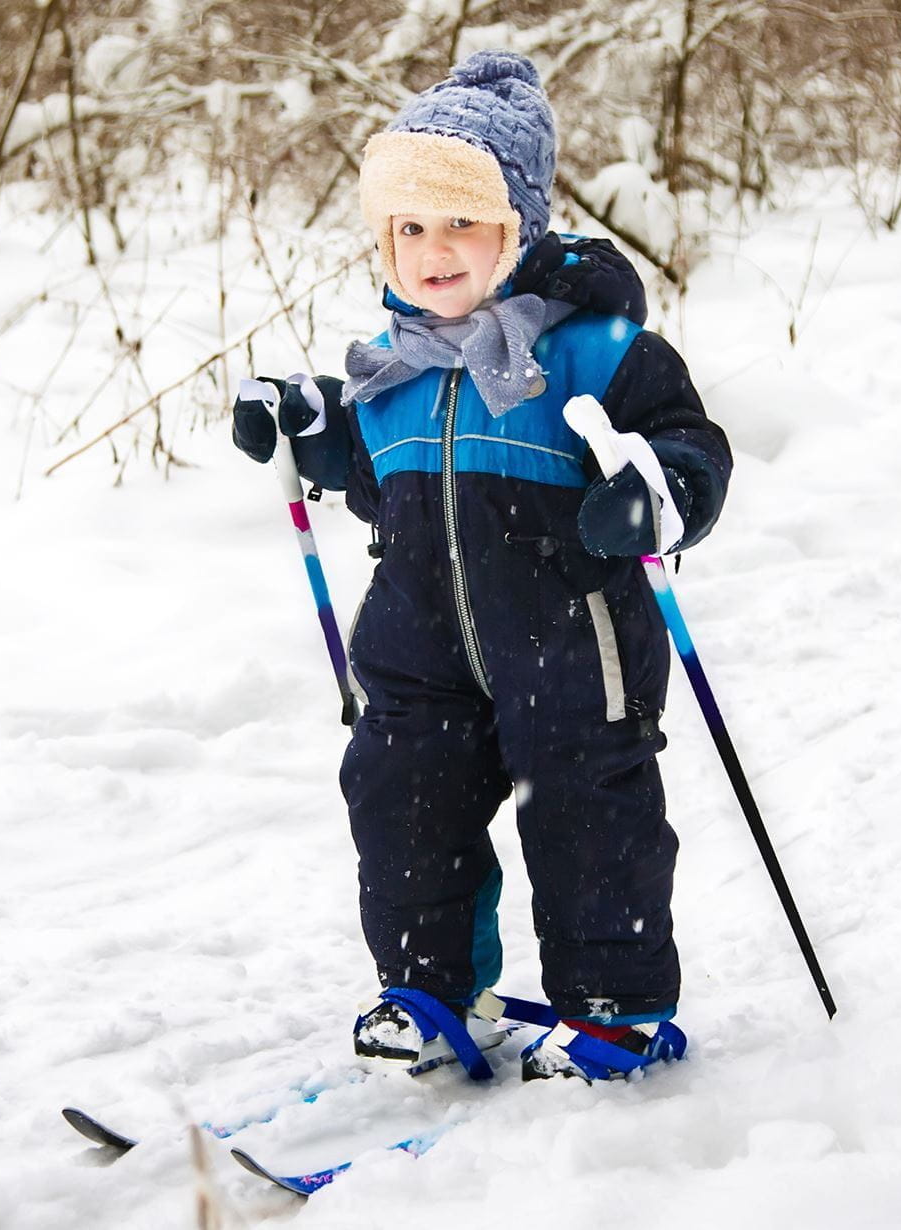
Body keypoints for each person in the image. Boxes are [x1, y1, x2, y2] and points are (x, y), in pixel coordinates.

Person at [232, 50, 732, 1083]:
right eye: (407, 228)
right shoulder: (392, 368)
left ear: (518, 227)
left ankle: (614, 1006)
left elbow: (687, 445)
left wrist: (657, 490)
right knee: (399, 801)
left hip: (569, 641)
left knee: (588, 815)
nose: (431, 250)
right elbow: (383, 486)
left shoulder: (594, 352)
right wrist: (311, 429)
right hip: (418, 646)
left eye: (459, 222)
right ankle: (432, 989)